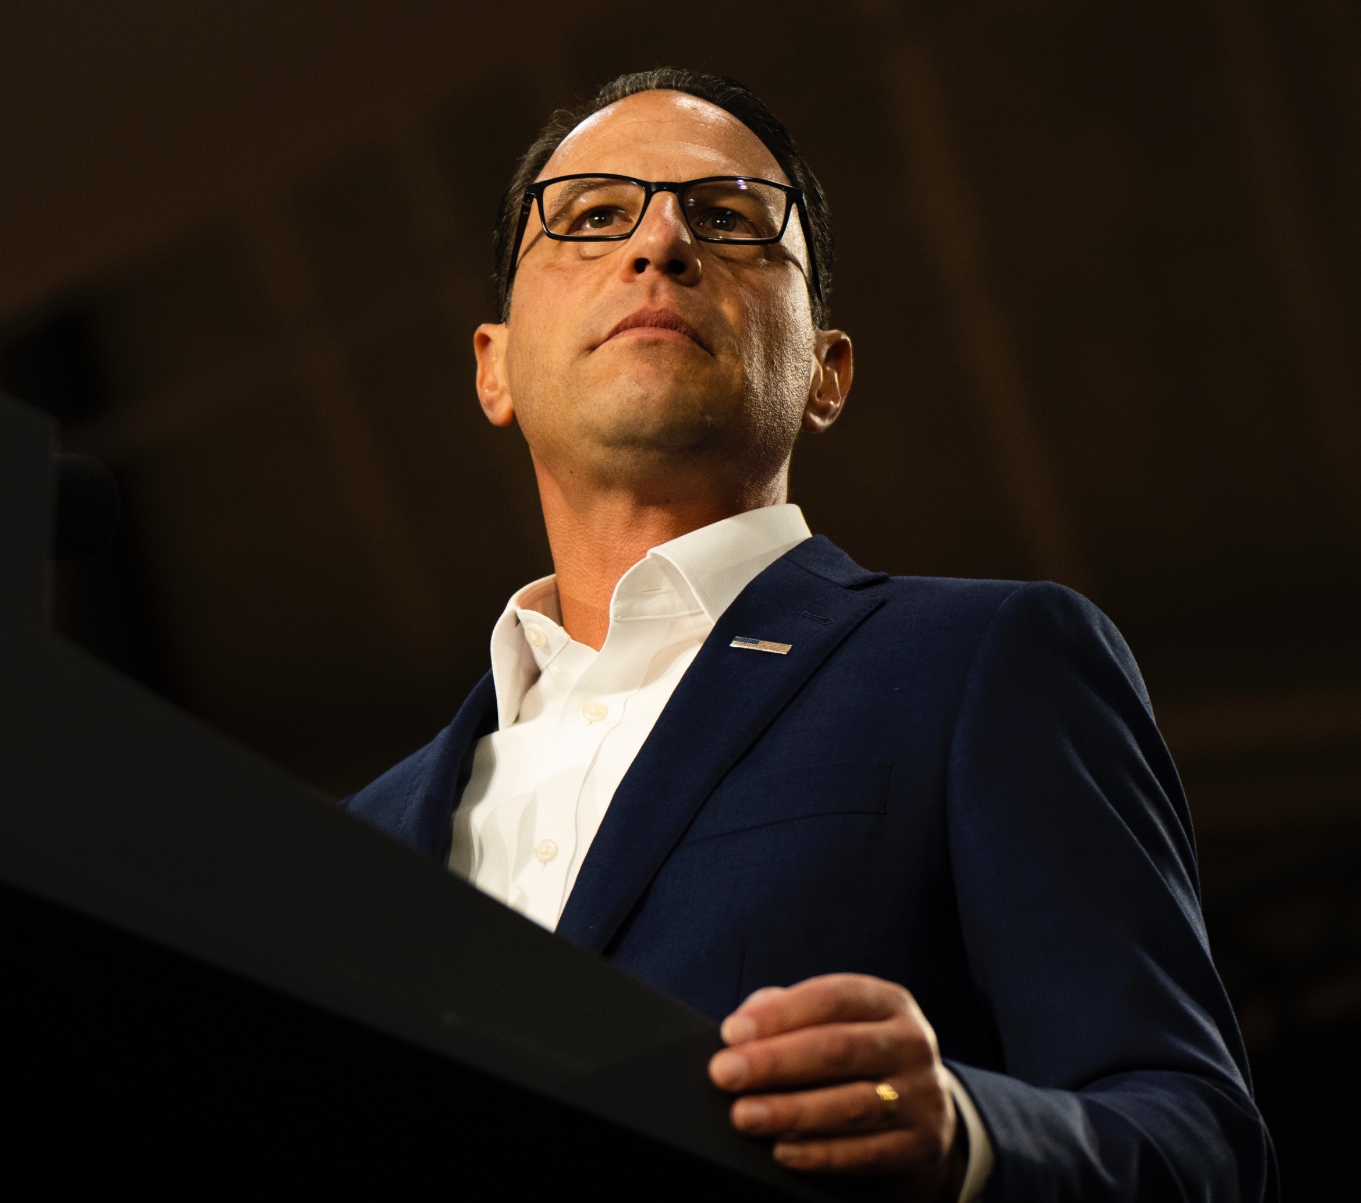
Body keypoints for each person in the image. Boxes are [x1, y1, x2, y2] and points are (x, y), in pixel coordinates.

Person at [345, 68, 1272, 1200]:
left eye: (729, 220)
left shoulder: (982, 662)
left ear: (827, 372)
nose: (661, 245)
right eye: (593, 218)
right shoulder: (357, 845)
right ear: (493, 366)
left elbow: (1198, 1145)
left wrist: (971, 1139)